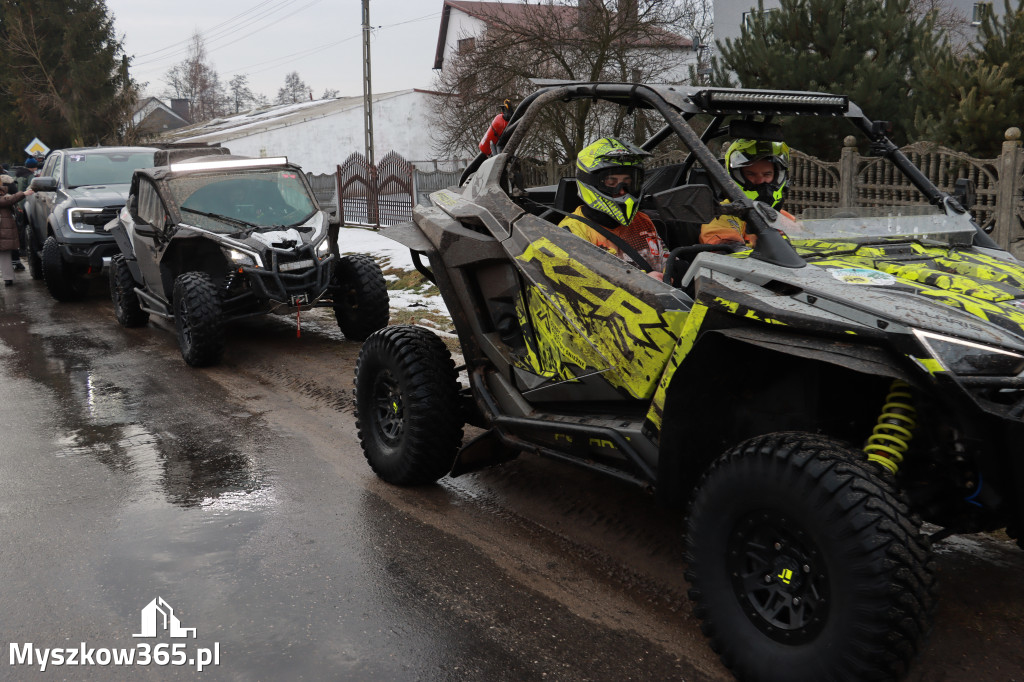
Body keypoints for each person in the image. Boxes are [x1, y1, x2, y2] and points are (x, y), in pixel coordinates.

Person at [559, 137, 667, 281]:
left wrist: (674, 272)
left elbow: (665, 261)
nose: (622, 191)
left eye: (628, 182)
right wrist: (644, 283)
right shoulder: (572, 233)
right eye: (612, 182)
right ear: (591, 181)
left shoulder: (643, 221)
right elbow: (584, 287)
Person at [700, 138, 792, 246]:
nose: (760, 181)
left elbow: (807, 238)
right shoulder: (721, 215)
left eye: (767, 174)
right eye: (751, 174)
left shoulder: (781, 217)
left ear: (777, 176)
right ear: (737, 176)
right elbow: (724, 253)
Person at [0, 175, 34, 286]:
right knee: (4, 253)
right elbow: (7, 200)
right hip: (3, 229)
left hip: (4, 229)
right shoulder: (4, 196)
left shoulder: (4, 193)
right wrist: (23, 193)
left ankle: (8, 278)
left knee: (4, 253)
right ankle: (8, 278)